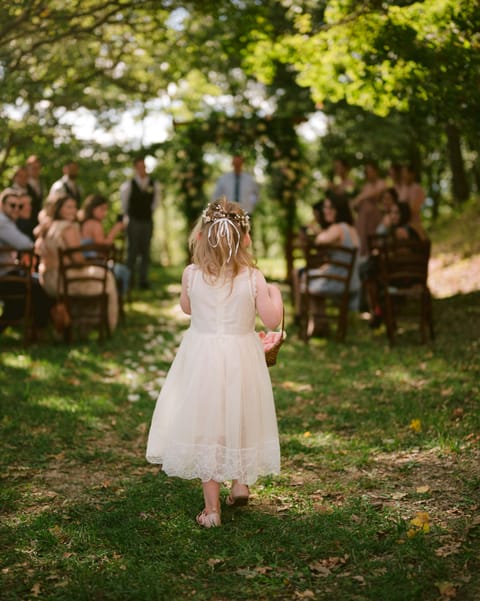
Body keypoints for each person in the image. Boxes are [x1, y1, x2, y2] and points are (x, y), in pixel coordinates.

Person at [146, 197, 283, 528]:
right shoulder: (253, 277)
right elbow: (272, 320)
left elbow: (188, 309)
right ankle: (239, 482)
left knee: (209, 427)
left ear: (201, 236)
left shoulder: (191, 275)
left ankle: (212, 510)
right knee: (240, 416)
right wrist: (275, 294)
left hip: (202, 359)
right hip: (241, 359)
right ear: (245, 238)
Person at [35, 195, 119, 333]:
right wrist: (90, 264)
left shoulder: (49, 227)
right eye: (68, 207)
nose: (73, 210)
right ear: (59, 209)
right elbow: (78, 260)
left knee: (98, 275)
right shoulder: (68, 228)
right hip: (63, 281)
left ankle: (82, 324)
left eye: (74, 207)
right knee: (107, 277)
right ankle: (108, 325)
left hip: (47, 279)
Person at [361, 197, 427, 329]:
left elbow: (397, 254)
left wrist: (385, 228)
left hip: (405, 276)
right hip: (406, 273)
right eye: (391, 213)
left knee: (370, 274)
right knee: (370, 273)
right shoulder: (411, 230)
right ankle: (380, 311)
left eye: (396, 213)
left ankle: (377, 311)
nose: (393, 216)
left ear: (404, 214)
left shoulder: (401, 232)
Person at [293, 196, 360, 321]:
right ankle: (319, 323)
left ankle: (315, 323)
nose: (326, 211)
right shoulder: (351, 228)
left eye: (331, 208)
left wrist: (314, 229)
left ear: (339, 210)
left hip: (339, 281)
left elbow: (320, 240)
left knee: (304, 277)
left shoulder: (338, 228)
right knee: (310, 276)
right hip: (351, 281)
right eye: (325, 207)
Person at [0, 188, 53, 334]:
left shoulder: (7, 222)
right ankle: (38, 332)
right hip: (5, 277)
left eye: (20, 206)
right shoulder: (3, 223)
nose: (16, 209)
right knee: (42, 287)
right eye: (12, 205)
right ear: (1, 205)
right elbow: (25, 244)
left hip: (8, 274)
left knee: (19, 301)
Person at [120, 156, 160, 290]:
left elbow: (156, 202)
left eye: (143, 166)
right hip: (134, 221)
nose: (142, 169)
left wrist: (148, 212)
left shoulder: (154, 184)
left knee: (145, 251)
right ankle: (128, 280)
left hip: (147, 221)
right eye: (139, 166)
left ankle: (143, 280)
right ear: (135, 168)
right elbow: (124, 204)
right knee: (132, 250)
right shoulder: (128, 185)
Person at [79, 193, 130, 298]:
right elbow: (104, 247)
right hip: (95, 264)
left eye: (106, 210)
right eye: (102, 209)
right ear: (93, 208)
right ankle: (117, 298)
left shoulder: (83, 223)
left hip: (88, 263)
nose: (105, 213)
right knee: (125, 272)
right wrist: (115, 230)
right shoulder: (95, 224)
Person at [350, 160, 386, 260]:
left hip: (376, 218)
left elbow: (375, 193)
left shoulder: (381, 183)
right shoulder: (366, 186)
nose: (369, 174)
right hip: (364, 220)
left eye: (370, 171)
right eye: (367, 172)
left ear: (376, 171)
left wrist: (360, 198)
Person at [399, 164, 427, 238]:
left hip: (413, 225)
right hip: (401, 223)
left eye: (405, 173)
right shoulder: (403, 188)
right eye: (402, 174)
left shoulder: (416, 189)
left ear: (412, 174)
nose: (403, 176)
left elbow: (413, 208)